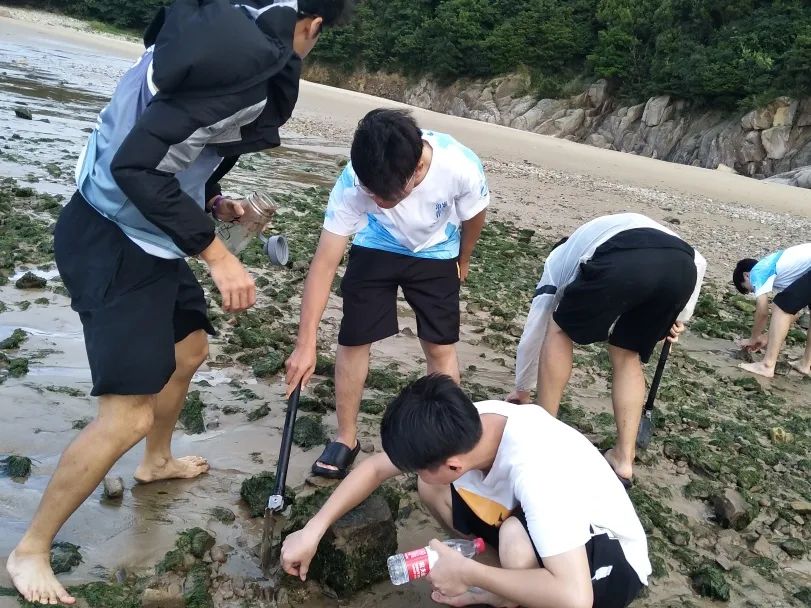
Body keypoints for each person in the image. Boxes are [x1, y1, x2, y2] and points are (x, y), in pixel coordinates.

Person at [6, 1, 349, 604]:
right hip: (112, 239)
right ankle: (30, 549)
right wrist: (218, 255)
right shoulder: (244, 69)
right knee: (126, 417)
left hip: (142, 230)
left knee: (189, 350)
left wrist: (211, 202)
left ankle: (156, 461)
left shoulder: (210, 33)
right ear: (313, 26)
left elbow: (173, 144)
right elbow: (137, 165)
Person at [281, 375, 651, 608]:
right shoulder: (465, 423)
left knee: (515, 538)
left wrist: (469, 574)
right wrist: (312, 531)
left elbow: (575, 598)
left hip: (610, 563)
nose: (408, 472)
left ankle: (506, 590)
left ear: (454, 465)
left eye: (416, 466)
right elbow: (376, 468)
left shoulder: (537, 470)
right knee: (432, 489)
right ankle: (507, 586)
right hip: (547, 529)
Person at [284, 109, 489, 479]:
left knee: (440, 347)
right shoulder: (354, 180)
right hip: (376, 245)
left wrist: (465, 257)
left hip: (437, 251)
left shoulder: (460, 166)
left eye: (386, 194)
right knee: (353, 338)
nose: (376, 200)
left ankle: (445, 442)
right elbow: (324, 263)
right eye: (371, 192)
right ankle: (346, 437)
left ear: (417, 168)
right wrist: (305, 342)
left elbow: (476, 213)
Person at [506, 213, 706, 488]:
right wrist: (681, 316)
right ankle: (623, 459)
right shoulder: (610, 229)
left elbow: (537, 323)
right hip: (682, 268)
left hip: (624, 259)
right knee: (626, 353)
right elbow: (698, 261)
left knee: (558, 328)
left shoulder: (558, 260)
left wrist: (522, 389)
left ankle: (544, 433)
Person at [732, 242, 811, 378]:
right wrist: (767, 336)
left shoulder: (757, 271)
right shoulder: (785, 273)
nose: (755, 291)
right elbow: (794, 312)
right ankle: (806, 363)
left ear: (746, 275)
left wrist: (753, 338)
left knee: (780, 306)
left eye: (751, 289)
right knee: (782, 305)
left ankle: (766, 365)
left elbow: (763, 312)